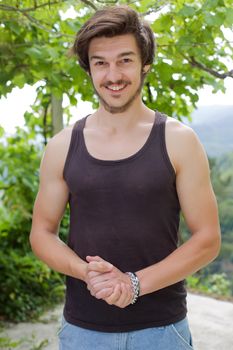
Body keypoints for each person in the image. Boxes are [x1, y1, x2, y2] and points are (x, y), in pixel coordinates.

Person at [29, 5, 221, 350]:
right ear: (88, 69)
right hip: (82, 332)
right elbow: (42, 233)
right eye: (100, 62)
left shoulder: (179, 140)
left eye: (125, 60)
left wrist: (133, 284)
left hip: (162, 332)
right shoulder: (62, 146)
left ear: (145, 64)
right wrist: (85, 271)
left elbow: (207, 239)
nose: (113, 74)